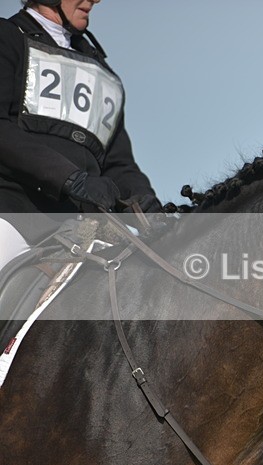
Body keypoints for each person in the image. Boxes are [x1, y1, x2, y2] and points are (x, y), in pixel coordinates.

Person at [0, 0, 161, 274]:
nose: (94, 0)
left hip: (83, 227)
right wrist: (69, 178)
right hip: (15, 215)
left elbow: (117, 163)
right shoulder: (7, 37)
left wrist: (147, 204)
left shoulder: (102, 72)